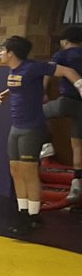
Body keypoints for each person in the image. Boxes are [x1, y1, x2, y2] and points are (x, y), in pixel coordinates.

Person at [0, 35, 82, 234]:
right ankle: (23, 212)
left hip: (32, 128)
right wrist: (7, 93)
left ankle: (34, 215)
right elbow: (21, 85)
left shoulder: (33, 67)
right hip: (16, 127)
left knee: (29, 171)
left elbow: (68, 71)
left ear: (11, 53)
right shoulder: (14, 71)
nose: (0, 53)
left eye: (2, 50)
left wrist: (79, 86)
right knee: (15, 169)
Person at [43, 26, 82, 203]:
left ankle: (45, 145)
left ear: (65, 40)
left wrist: (43, 92)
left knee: (37, 114)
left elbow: (47, 73)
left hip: (67, 101)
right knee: (77, 145)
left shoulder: (63, 54)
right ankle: (76, 183)